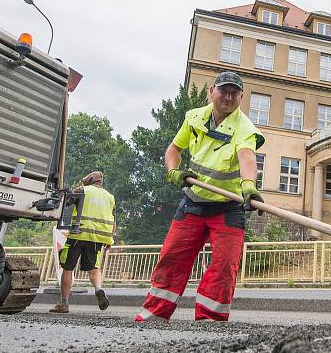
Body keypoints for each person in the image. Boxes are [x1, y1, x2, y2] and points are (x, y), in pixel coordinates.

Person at [135, 71, 264, 322]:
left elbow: (247, 157)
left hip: (228, 207)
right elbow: (174, 148)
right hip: (193, 202)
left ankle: (210, 321)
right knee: (172, 257)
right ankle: (154, 315)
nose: (228, 96)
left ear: (241, 97)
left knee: (225, 266)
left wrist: (249, 184)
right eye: (223, 91)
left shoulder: (245, 128)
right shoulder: (193, 118)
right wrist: (173, 170)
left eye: (234, 93)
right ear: (211, 92)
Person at [49, 171, 116, 313]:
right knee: (94, 268)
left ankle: (64, 304)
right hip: (98, 238)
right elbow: (113, 220)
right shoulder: (110, 197)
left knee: (68, 268)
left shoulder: (82, 190)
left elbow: (64, 203)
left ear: (90, 180)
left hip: (78, 235)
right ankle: (99, 289)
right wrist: (110, 239)